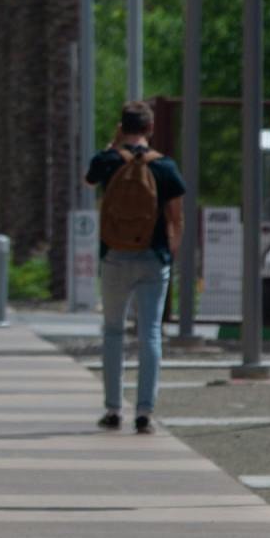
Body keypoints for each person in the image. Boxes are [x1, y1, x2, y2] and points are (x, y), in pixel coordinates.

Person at [84, 101, 187, 434]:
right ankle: (144, 413)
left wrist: (113, 145)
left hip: (115, 255)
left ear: (121, 126)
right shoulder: (165, 167)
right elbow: (176, 218)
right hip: (153, 258)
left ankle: (113, 409)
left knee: (113, 331)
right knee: (150, 333)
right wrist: (169, 255)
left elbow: (89, 181)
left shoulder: (108, 161)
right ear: (151, 128)